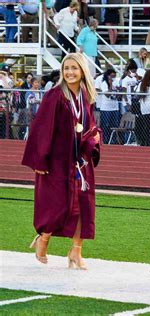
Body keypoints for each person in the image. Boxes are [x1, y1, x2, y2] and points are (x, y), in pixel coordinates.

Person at [22, 53, 101, 270]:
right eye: (66, 68)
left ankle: (76, 251)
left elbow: (90, 123)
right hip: (58, 160)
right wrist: (40, 159)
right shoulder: (55, 96)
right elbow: (41, 128)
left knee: (83, 205)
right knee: (57, 205)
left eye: (74, 68)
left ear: (82, 70)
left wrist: (94, 137)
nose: (70, 72)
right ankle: (43, 238)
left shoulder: (86, 96)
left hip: (81, 161)